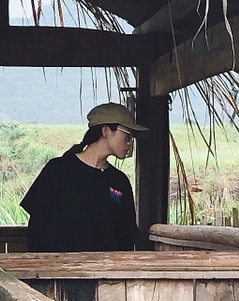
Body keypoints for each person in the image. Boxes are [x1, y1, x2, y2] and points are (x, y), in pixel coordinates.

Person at [20, 101, 146, 252]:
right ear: (106, 130)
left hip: (107, 272)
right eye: (127, 135)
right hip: (58, 271)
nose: (130, 143)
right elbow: (36, 228)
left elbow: (126, 236)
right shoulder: (57, 170)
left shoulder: (119, 181)